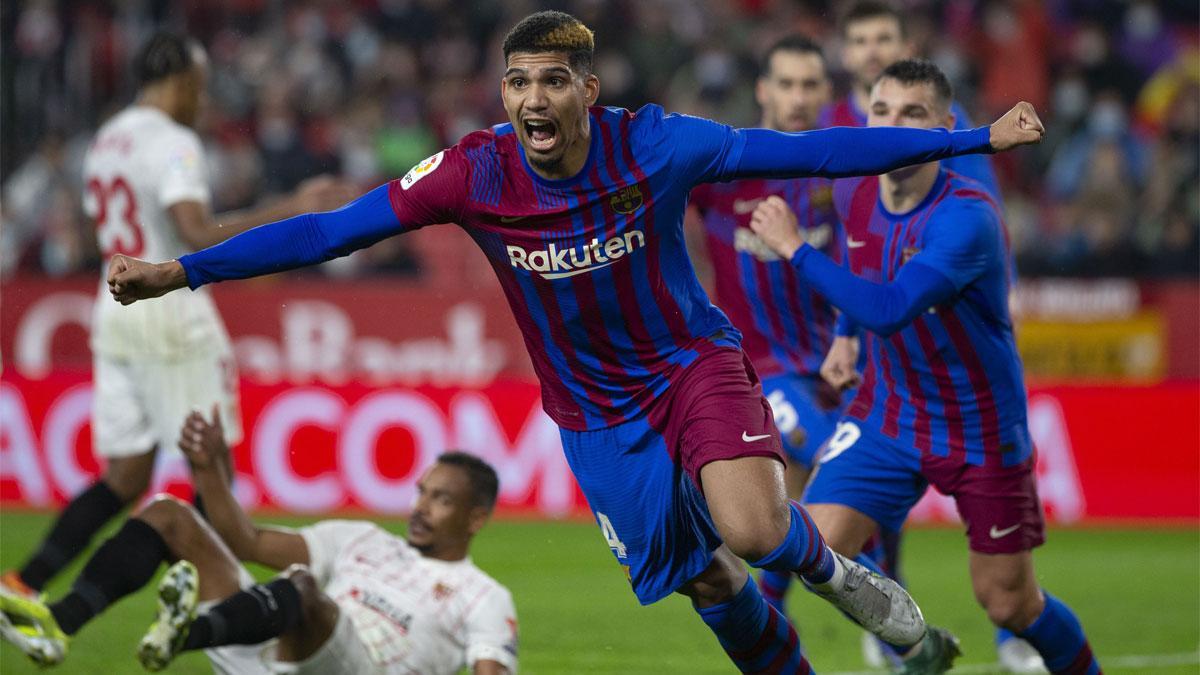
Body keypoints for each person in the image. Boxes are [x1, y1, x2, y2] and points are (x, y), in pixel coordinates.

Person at [105, 11, 1044, 672]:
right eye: (518, 82)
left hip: (690, 366)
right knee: (711, 583)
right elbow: (326, 231)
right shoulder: (473, 173)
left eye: (553, 79)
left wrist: (970, 141)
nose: (533, 96)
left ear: (587, 90)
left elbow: (811, 151)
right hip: (597, 416)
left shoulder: (659, 145)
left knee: (757, 531)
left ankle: (833, 570)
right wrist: (183, 271)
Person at [750, 59, 1099, 675]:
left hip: (980, 430)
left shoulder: (967, 217)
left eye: (912, 114)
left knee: (1009, 602)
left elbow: (890, 306)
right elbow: (865, 275)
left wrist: (795, 248)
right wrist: (845, 337)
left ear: (945, 125)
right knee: (816, 547)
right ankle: (914, 645)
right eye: (881, 112)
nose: (893, 126)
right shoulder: (858, 190)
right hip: (890, 412)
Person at [0, 32, 353, 602]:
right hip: (170, 313)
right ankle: (206, 604)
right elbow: (194, 231)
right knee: (211, 467)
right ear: (183, 80)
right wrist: (295, 207)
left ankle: (24, 584)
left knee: (125, 478)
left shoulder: (106, 138)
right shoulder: (174, 143)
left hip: (111, 311)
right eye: (201, 86)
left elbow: (98, 231)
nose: (203, 98)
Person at [0, 408, 518, 674]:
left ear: (476, 518)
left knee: (302, 585)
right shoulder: (362, 537)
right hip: (273, 644)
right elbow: (245, 541)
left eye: (441, 500)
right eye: (421, 492)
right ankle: (60, 626)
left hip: (360, 667)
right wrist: (208, 474)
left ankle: (186, 633)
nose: (422, 507)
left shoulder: (485, 596)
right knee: (169, 515)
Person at [686, 35, 847, 620]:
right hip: (759, 369)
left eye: (810, 84)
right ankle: (882, 629)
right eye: (786, 83)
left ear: (827, 92)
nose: (798, 97)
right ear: (762, 90)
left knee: (849, 504)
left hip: (840, 362)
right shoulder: (721, 168)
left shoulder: (840, 173)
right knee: (821, 456)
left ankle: (779, 623)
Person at [822, 1, 1000, 198]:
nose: (872, 53)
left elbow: (981, 198)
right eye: (860, 41)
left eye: (883, 39)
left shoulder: (942, 115)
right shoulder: (825, 122)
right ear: (845, 55)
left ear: (908, 49)